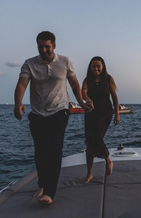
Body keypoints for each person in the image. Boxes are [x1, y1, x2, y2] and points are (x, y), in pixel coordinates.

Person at [13, 31, 91, 205]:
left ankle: (49, 192)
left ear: (54, 45)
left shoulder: (65, 62)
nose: (44, 50)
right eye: (41, 46)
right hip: (38, 113)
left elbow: (74, 83)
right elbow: (22, 84)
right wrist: (18, 103)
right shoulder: (30, 64)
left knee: (54, 148)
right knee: (40, 152)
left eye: (47, 46)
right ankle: (42, 184)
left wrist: (81, 101)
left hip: (60, 110)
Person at [81, 56, 120, 183]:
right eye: (93, 66)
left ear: (103, 66)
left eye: (98, 66)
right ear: (90, 67)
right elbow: (83, 92)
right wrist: (87, 99)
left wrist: (117, 114)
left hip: (105, 112)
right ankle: (89, 173)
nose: (96, 68)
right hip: (91, 112)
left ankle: (108, 161)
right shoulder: (87, 80)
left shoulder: (108, 79)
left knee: (96, 137)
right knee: (90, 142)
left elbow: (114, 98)